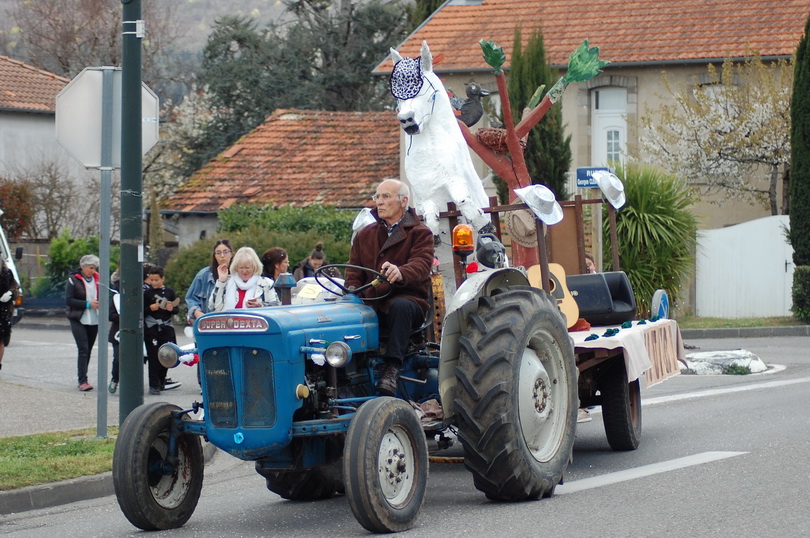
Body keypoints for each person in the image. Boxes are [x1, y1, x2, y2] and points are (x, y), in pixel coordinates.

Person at [345, 179, 434, 396]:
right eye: (377, 197)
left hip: (408, 300)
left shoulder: (420, 233)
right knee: (341, 313)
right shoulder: (364, 235)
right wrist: (351, 290)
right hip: (371, 302)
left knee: (400, 306)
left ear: (403, 201)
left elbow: (421, 264)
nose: (379, 202)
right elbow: (353, 273)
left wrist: (401, 272)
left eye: (386, 197)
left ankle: (392, 369)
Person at [65, 255, 100, 391]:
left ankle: (84, 377)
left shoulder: (98, 279)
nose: (93, 271)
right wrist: (87, 304)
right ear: (83, 267)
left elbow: (104, 294)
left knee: (88, 349)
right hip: (78, 317)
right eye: (91, 268)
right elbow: (69, 300)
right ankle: (82, 381)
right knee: (83, 349)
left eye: (95, 268)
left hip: (94, 318)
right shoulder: (73, 279)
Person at [144, 265, 179, 395]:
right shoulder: (147, 293)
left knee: (168, 354)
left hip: (166, 326)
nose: (153, 283)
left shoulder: (169, 292)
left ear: (162, 279)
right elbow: (142, 310)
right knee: (153, 356)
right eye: (151, 280)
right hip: (152, 328)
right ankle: (154, 385)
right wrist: (150, 308)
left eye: (156, 280)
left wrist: (172, 309)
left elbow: (176, 309)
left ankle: (162, 379)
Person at [210, 247, 279, 311]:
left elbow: (276, 307)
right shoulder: (227, 283)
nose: (244, 271)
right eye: (241, 268)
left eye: (247, 267)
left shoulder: (266, 283)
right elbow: (212, 306)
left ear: (255, 267)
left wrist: (260, 306)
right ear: (236, 268)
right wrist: (221, 282)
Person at [186, 240, 233, 323]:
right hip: (208, 323)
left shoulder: (238, 275)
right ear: (214, 255)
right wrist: (196, 312)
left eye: (225, 252)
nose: (222, 256)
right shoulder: (204, 275)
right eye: (218, 253)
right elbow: (191, 298)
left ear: (231, 254)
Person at [0, 257, 19, 371]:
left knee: (1, 340)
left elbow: (16, 287)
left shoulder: (7, 273)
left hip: (3, 311)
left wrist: (11, 293)